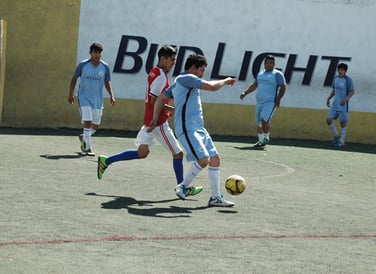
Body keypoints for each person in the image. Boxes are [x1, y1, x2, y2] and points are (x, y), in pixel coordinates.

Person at [96, 45, 203, 197]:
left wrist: (164, 110)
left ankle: (106, 161)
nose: (173, 63)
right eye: (172, 60)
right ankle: (182, 187)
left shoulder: (155, 71)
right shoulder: (160, 76)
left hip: (150, 120)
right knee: (178, 154)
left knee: (142, 152)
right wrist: (166, 111)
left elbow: (153, 100)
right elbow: (154, 101)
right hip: (157, 123)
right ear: (163, 58)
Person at [148, 54, 236, 207]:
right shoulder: (186, 78)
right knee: (203, 160)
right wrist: (226, 81)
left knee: (215, 159)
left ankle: (215, 197)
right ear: (193, 68)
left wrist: (156, 117)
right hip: (188, 128)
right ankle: (182, 186)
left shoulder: (179, 81)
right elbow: (212, 87)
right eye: (201, 70)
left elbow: (162, 98)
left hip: (198, 128)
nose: (202, 74)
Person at [68, 42, 116, 156]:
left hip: (97, 101)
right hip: (84, 98)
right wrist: (71, 94)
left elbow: (107, 82)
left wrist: (112, 96)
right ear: (91, 53)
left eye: (99, 52)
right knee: (88, 122)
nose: (97, 55)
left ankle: (84, 137)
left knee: (95, 125)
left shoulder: (105, 67)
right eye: (95, 52)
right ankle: (88, 148)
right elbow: (74, 78)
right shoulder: (83, 65)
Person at [240, 55, 286, 147]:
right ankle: (261, 141)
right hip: (259, 102)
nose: (269, 64)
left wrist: (278, 99)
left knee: (264, 119)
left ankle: (266, 137)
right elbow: (255, 85)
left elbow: (283, 87)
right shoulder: (260, 74)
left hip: (270, 102)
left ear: (274, 64)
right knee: (259, 123)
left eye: (271, 63)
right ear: (264, 63)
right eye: (267, 62)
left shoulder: (277, 74)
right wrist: (245, 93)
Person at [326, 62, 355, 147]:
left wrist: (345, 99)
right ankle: (336, 134)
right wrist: (329, 98)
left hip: (343, 105)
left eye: (342, 70)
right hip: (335, 104)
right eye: (339, 69)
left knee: (342, 123)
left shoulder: (348, 80)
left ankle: (342, 141)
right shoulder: (335, 78)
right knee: (328, 120)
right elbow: (334, 90)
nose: (340, 71)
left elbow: (352, 91)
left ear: (345, 71)